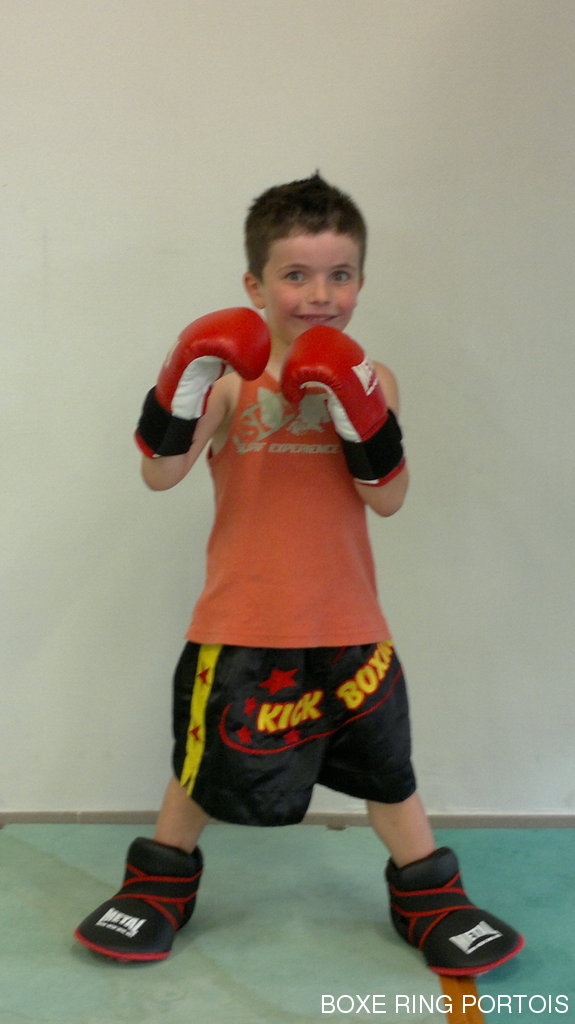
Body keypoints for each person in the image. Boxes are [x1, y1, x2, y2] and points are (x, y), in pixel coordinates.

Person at [75, 173, 523, 975]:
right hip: (239, 621)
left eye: (339, 274)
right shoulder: (228, 382)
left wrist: (356, 407)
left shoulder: (373, 379)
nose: (320, 295)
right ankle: (155, 888)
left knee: (387, 771)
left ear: (360, 281)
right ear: (254, 285)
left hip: (349, 621)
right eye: (296, 275)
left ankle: (431, 899)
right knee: (201, 769)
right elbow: (159, 474)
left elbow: (387, 499)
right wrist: (183, 375)